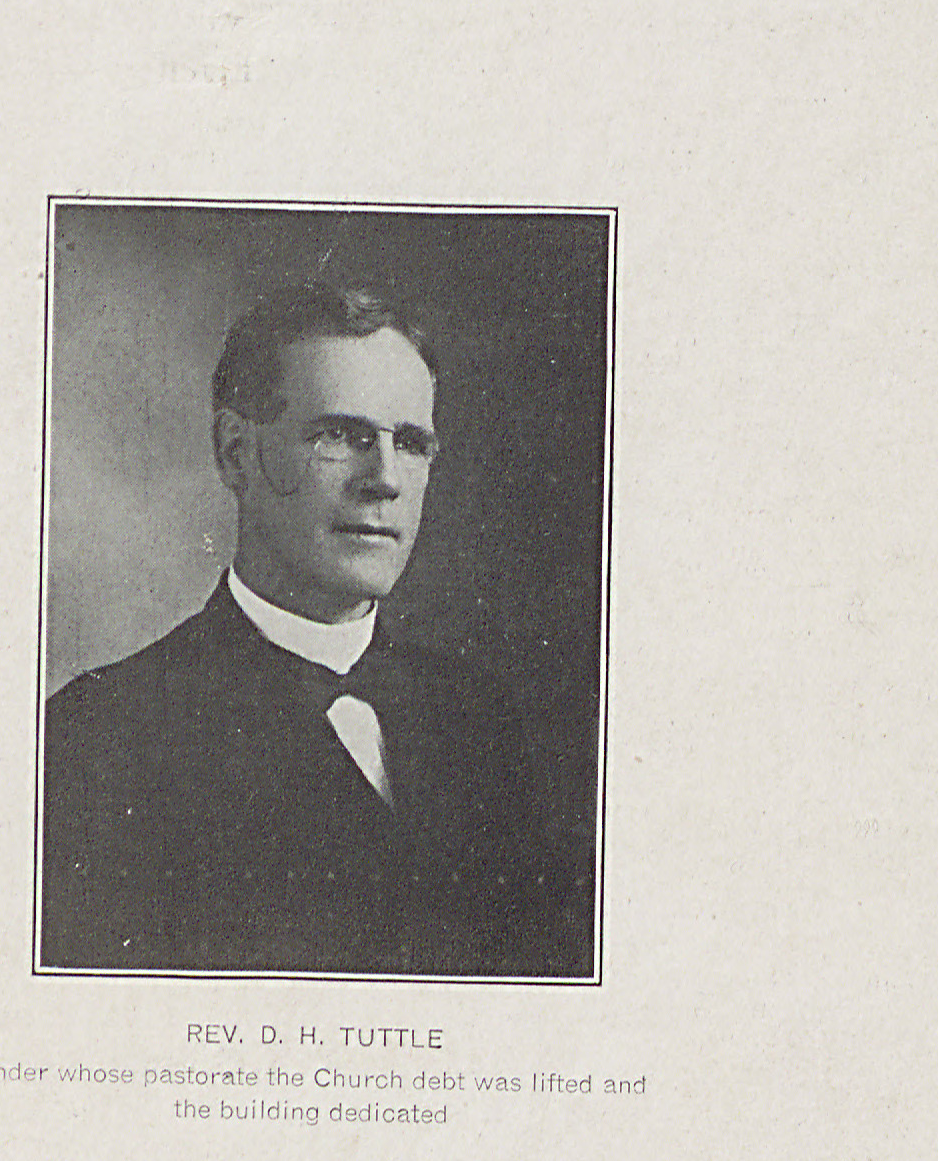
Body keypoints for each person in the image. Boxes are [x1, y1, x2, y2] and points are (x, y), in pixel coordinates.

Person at [39, 280, 571, 975]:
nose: (383, 479)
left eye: (410, 443)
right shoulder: (96, 738)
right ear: (235, 453)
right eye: (339, 436)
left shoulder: (485, 723)